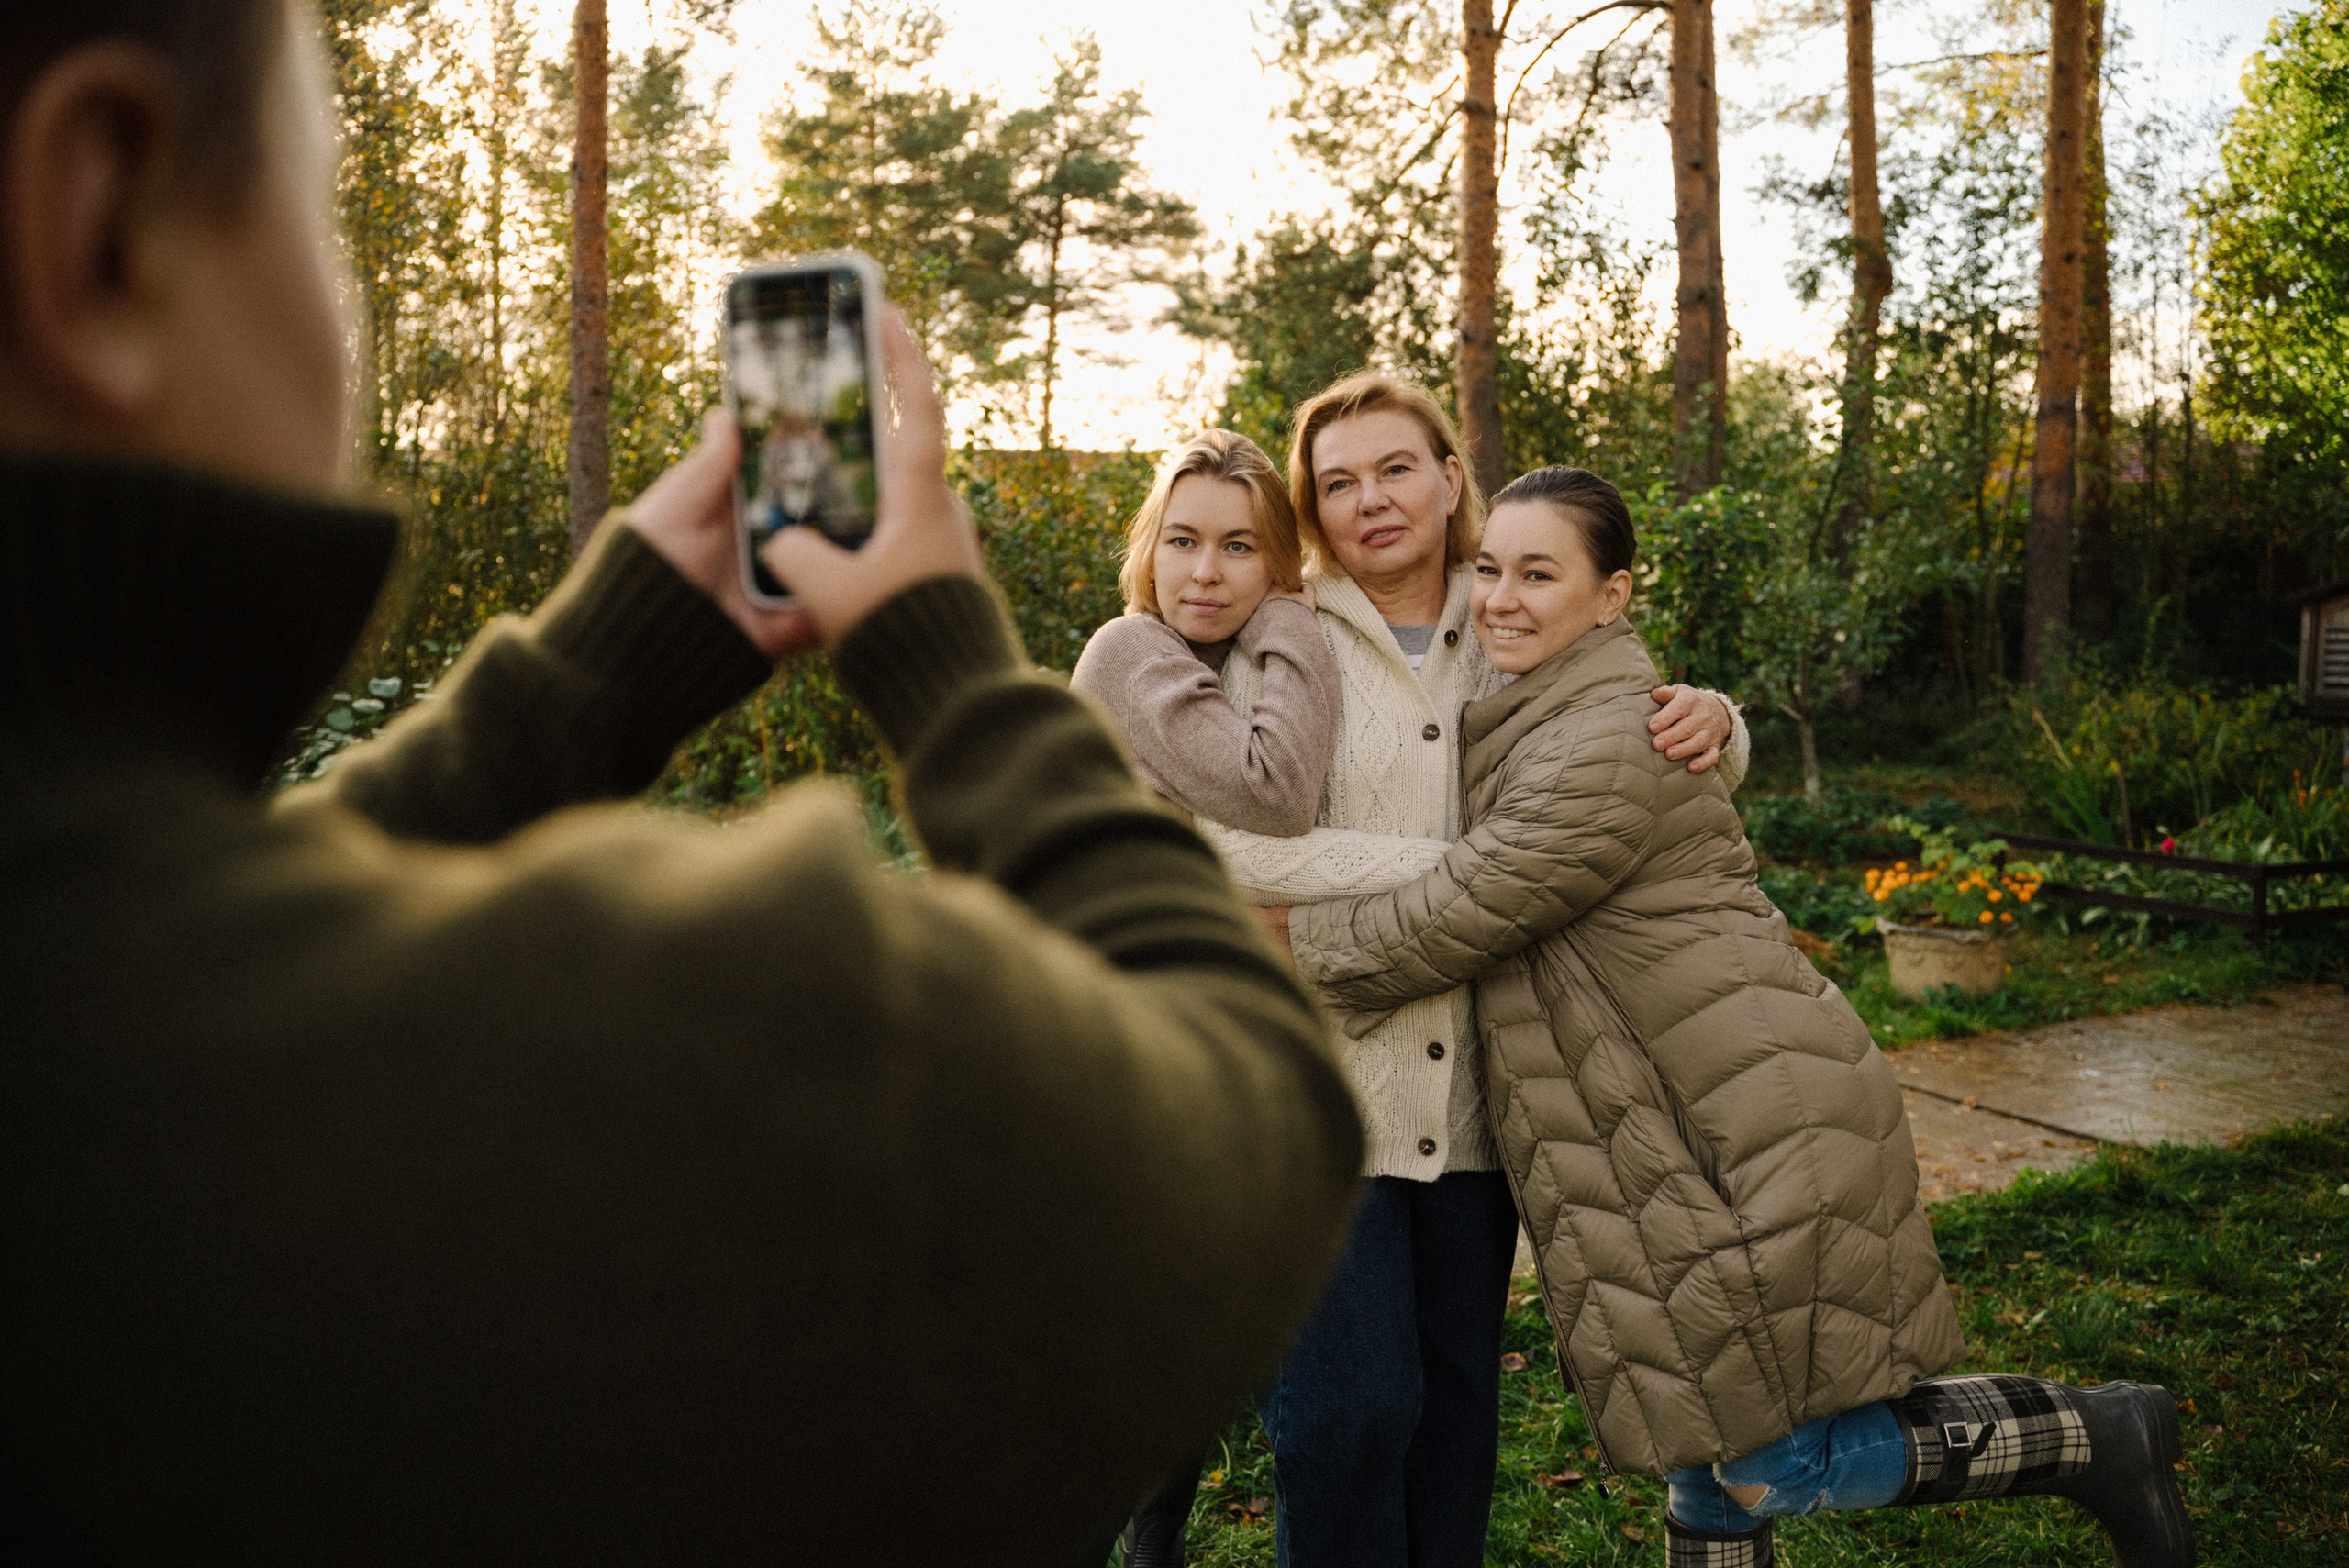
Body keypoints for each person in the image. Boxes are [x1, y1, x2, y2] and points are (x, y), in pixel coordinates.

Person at [0, 3, 1364, 1559]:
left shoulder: (97, 1017)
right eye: (321, 220)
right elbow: (1251, 1100)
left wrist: (586, 676)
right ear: (97, 215)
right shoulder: (727, 1034)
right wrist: (950, 666)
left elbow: (186, 962)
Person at [1274, 466, 2195, 1568]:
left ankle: (2092, 1434)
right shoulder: (1542, 708)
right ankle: (2095, 1434)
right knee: (1705, 1452)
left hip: (1742, 1118)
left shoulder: (1604, 740)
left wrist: (1269, 944)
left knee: (1763, 1460)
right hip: (1668, 1117)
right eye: (1491, 569)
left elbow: (1463, 910)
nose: (1502, 597)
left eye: (1538, 572)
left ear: (1611, 597)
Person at [1197, 375, 1748, 1568]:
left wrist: (1718, 717)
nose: (1370, 500)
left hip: (1486, 1097)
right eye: (1337, 483)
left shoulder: (1512, 609)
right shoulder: (1274, 637)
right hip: (1317, 1087)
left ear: (1453, 477)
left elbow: (1624, 724)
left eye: (1396, 467)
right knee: (1348, 1415)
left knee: (1452, 1413)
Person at [1068, 427, 1336, 1567]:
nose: (1205, 571)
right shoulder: (1131, 649)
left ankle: (1150, 1537)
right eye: (1182, 540)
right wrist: (1292, 612)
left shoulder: (1227, 665)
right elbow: (1279, 795)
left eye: (1240, 547)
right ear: (1149, 549)